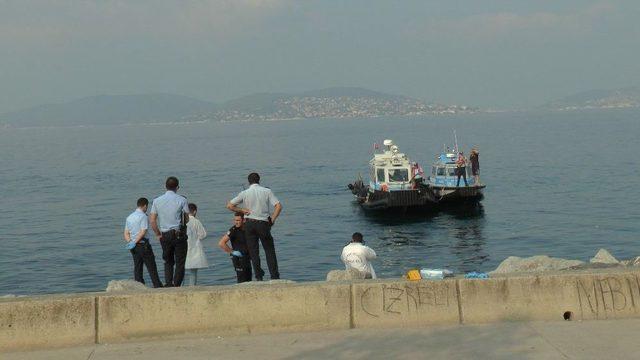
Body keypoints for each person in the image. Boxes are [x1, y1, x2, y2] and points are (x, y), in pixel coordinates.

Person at [227, 172, 282, 281]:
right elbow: (278, 206)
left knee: (254, 251)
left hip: (250, 224)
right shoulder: (267, 191)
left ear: (249, 181)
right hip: (263, 223)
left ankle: (258, 276)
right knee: (269, 250)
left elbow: (230, 205)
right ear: (259, 180)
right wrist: (273, 219)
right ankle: (274, 276)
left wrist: (242, 210)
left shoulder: (245, 193)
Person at [149, 176, 190, 287]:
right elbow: (187, 218)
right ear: (178, 187)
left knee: (168, 261)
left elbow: (152, 220)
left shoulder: (157, 201)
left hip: (164, 234)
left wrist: (158, 234)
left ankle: (168, 283)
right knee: (180, 262)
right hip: (178, 234)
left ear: (165, 186)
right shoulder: (182, 200)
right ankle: (176, 284)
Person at [123, 197, 162, 288]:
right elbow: (143, 231)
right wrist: (136, 241)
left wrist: (130, 242)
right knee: (151, 266)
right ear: (145, 206)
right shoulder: (143, 216)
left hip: (133, 246)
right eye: (146, 207)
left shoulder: (129, 217)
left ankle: (139, 286)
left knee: (137, 267)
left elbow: (126, 233)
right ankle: (157, 285)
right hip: (143, 245)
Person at [218, 212, 252, 283]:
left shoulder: (247, 228)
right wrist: (232, 252)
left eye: (238, 220)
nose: (236, 222)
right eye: (235, 220)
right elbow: (221, 243)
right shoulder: (233, 230)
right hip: (238, 258)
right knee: (241, 279)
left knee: (249, 279)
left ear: (243, 220)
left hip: (247, 257)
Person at [185, 203, 208, 286]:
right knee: (193, 271)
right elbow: (203, 234)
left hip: (183, 248)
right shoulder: (196, 221)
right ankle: (192, 287)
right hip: (194, 248)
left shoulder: (182, 221)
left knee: (181, 270)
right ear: (194, 211)